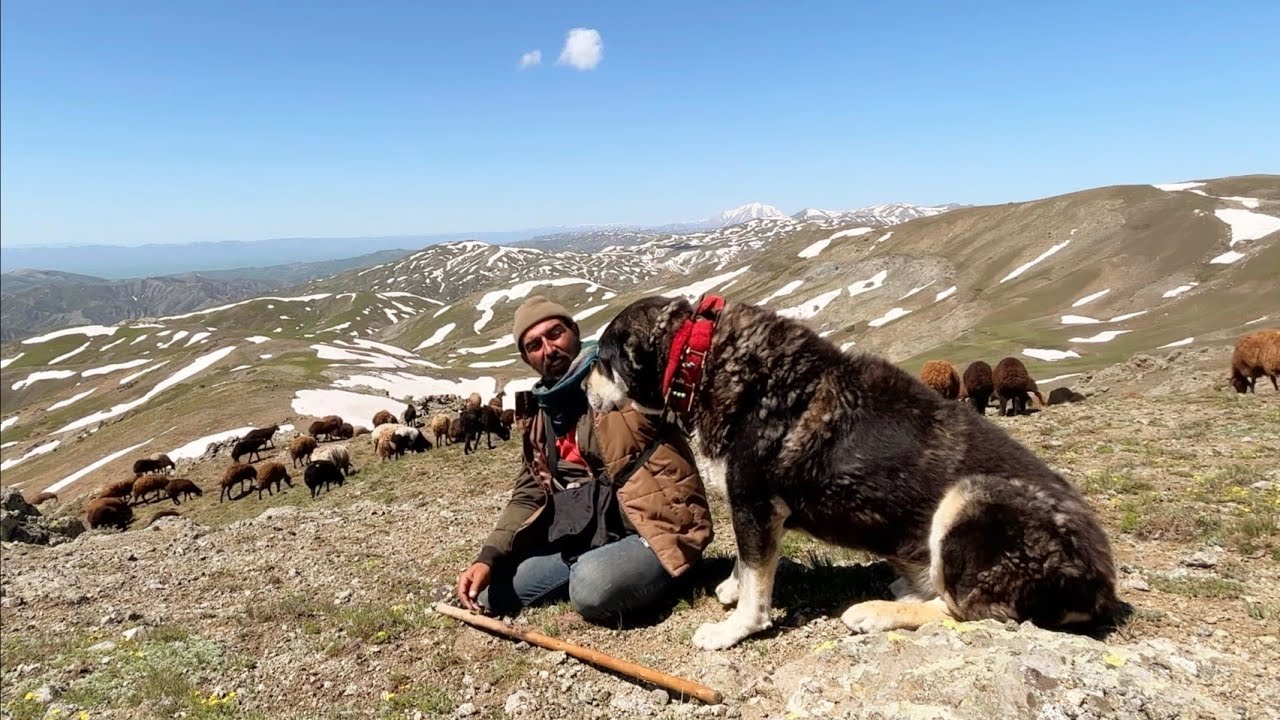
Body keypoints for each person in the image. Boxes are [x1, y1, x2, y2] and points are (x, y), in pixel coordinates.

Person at [455, 295, 713, 624]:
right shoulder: (541, 419)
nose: (549, 349)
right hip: (589, 536)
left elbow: (674, 366)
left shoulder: (625, 378)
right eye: (534, 345)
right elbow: (528, 494)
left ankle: (670, 570)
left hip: (656, 528)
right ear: (526, 358)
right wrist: (488, 557)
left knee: (590, 588)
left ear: (574, 331)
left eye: (555, 333)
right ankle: (603, 568)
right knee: (493, 594)